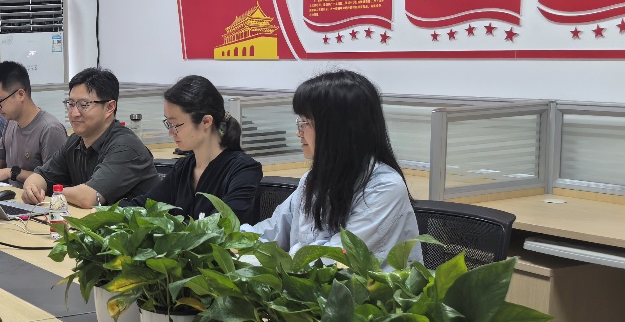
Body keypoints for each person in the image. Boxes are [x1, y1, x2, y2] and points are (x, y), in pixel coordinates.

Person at [249, 69, 420, 264]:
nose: (299, 133)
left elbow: (333, 259)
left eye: (305, 122)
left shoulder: (385, 188)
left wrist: (284, 256)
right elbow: (273, 230)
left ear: (336, 128)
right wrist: (234, 241)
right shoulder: (313, 180)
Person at [121, 75, 263, 222]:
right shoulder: (184, 167)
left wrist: (165, 226)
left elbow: (220, 225)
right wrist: (108, 212)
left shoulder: (244, 170)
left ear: (206, 121)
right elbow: (143, 206)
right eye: (168, 124)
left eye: (175, 125)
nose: (171, 133)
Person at [22, 67, 159, 208]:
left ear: (109, 107)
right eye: (71, 104)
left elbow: (87, 198)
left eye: (83, 105)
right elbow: (40, 176)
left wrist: (54, 190)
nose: (74, 113)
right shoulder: (75, 141)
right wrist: (32, 189)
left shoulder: (126, 147)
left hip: (137, 222)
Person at [0, 60, 68, 188]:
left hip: (38, 200)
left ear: (20, 94)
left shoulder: (50, 129)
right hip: (13, 196)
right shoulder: (11, 123)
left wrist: (12, 172)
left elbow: (53, 180)